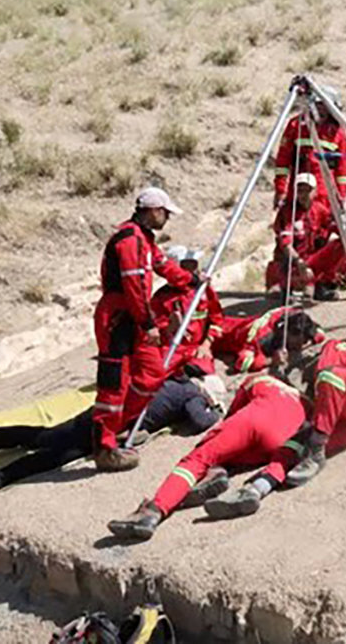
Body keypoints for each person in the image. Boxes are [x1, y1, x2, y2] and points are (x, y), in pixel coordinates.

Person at [203, 314, 346, 514]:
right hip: (345, 423)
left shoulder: (330, 349)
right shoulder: (308, 360)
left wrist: (280, 369)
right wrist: (278, 368)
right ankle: (254, 490)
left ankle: (316, 449)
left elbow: (320, 389)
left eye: (288, 339)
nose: (283, 345)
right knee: (292, 446)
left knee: (328, 378)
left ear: (303, 339)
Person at [0, 375, 225, 510]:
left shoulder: (174, 383)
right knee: (48, 438)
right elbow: (200, 420)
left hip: (113, 419)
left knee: (55, 455)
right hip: (111, 418)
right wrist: (216, 412)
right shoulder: (192, 394)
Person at [107, 370, 308, 540]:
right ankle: (224, 473)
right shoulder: (308, 405)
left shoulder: (261, 379)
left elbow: (235, 411)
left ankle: (154, 510)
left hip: (252, 419)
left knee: (197, 459)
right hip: (276, 443)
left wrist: (217, 435)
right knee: (242, 456)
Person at [92, 187, 200, 471]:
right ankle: (104, 446)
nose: (167, 218)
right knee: (114, 384)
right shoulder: (129, 240)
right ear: (153, 210)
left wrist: (191, 280)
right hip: (118, 317)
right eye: (165, 213)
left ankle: (119, 426)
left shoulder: (145, 240)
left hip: (134, 315)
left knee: (152, 374)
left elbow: (165, 267)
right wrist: (148, 323)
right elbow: (134, 287)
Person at [273, 86, 346, 219]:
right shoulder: (296, 125)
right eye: (318, 105)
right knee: (295, 231)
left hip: (326, 194)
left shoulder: (337, 132)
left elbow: (342, 170)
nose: (321, 109)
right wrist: (281, 189)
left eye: (325, 105)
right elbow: (282, 162)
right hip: (298, 191)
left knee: (320, 233)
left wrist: (341, 196)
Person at [150, 246, 224, 377]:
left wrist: (206, 345)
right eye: (186, 265)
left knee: (202, 367)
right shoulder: (160, 298)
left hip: (197, 348)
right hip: (172, 349)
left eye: (193, 264)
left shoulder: (203, 291)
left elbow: (217, 320)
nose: (192, 270)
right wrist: (171, 327)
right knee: (158, 370)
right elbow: (155, 334)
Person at [265, 173, 335, 299]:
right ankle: (286, 284)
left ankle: (321, 284)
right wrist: (298, 261)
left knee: (338, 246)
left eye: (307, 190)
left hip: (311, 261)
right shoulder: (288, 212)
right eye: (300, 190)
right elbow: (285, 243)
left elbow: (332, 226)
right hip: (291, 261)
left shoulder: (320, 210)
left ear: (315, 191)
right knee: (276, 292)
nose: (303, 195)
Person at [213, 304, 326, 374]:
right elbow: (243, 363)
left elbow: (320, 334)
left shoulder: (296, 317)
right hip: (220, 335)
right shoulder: (260, 336)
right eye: (297, 342)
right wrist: (271, 360)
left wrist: (305, 344)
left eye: (304, 341)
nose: (300, 345)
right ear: (285, 332)